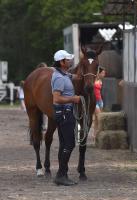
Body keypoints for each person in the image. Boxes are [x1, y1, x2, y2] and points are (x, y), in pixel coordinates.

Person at [51, 50, 81, 186]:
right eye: (68, 60)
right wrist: (73, 99)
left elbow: (75, 76)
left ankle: (62, 174)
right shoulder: (58, 78)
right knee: (70, 143)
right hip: (65, 112)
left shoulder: (64, 75)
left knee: (64, 144)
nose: (70, 61)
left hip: (65, 112)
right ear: (62, 62)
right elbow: (56, 98)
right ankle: (60, 175)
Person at [93, 67, 106, 141]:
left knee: (96, 119)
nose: (104, 74)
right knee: (99, 117)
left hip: (100, 100)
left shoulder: (100, 80)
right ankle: (100, 133)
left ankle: (95, 134)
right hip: (94, 101)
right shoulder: (93, 79)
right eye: (103, 73)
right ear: (99, 73)